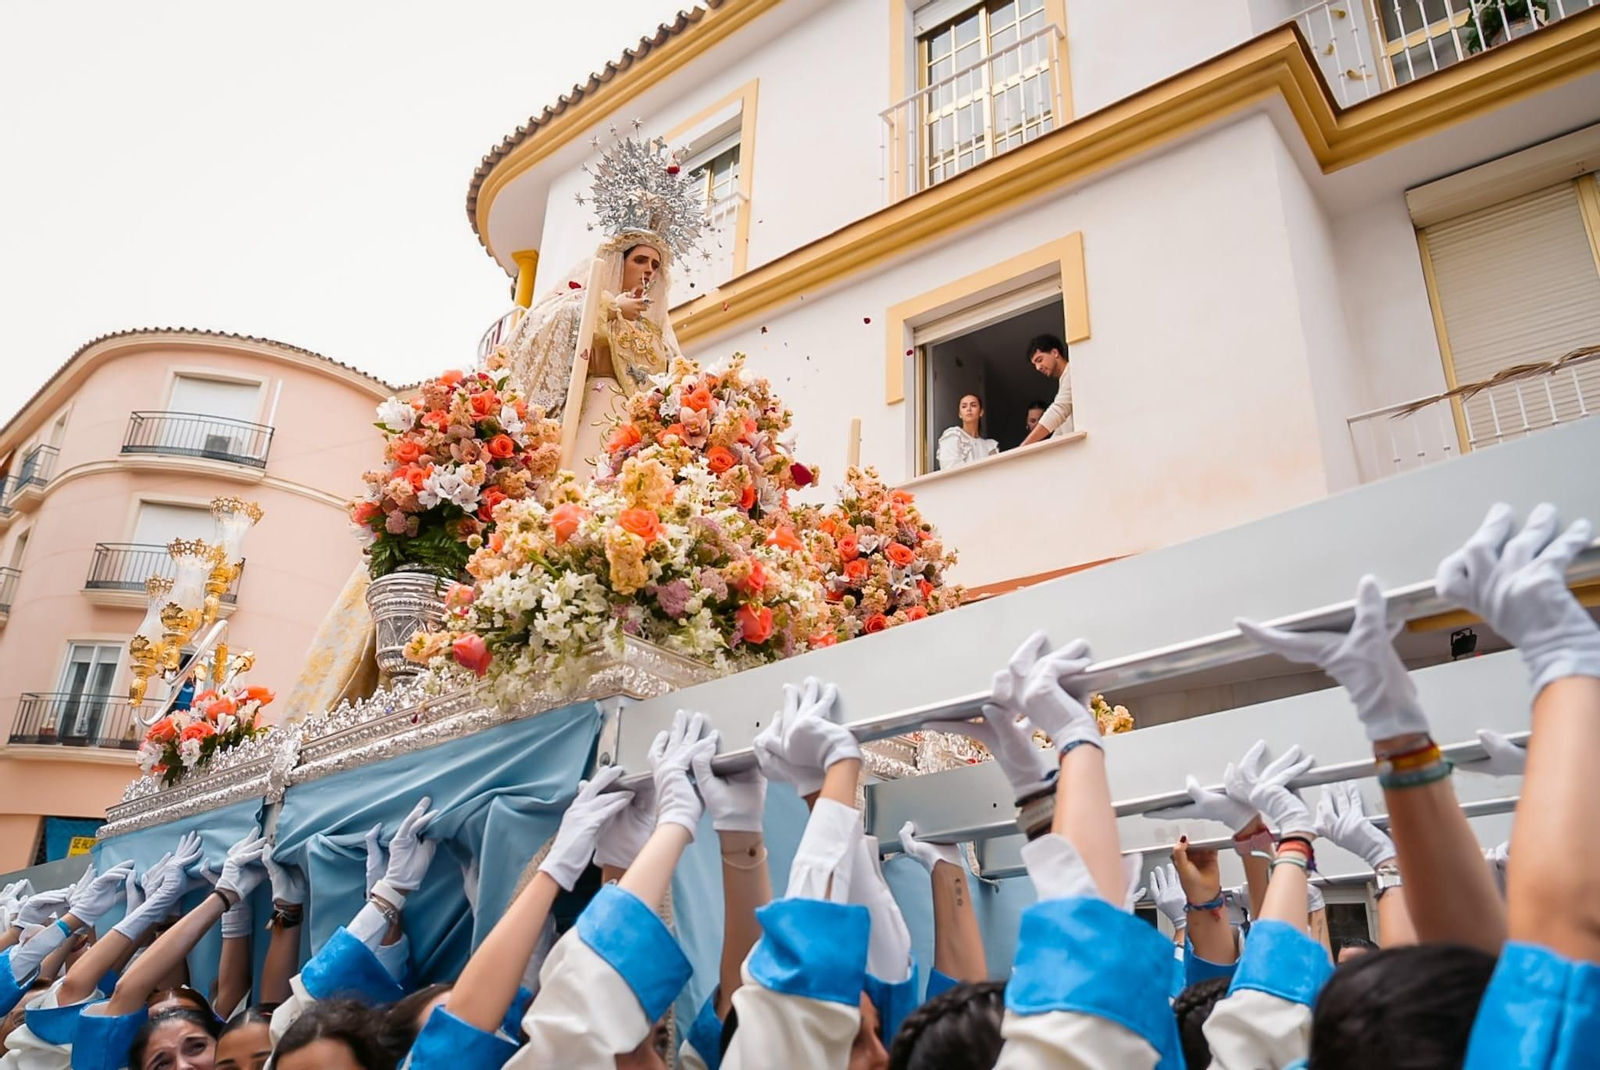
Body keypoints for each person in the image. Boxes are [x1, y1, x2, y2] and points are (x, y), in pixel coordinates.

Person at [499, 135, 705, 476]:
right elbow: (544, 321)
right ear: (619, 262)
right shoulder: (585, 299)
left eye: (655, 266)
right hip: (596, 407)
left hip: (639, 432)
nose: (648, 271)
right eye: (641, 260)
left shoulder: (655, 330)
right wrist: (608, 307)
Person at [1019, 335, 1072, 446]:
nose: (1038, 367)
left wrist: (1023, 447)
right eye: (1035, 364)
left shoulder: (1072, 372)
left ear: (1055, 353)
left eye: (1039, 360)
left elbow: (1058, 411)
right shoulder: (1063, 381)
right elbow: (1059, 433)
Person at [935, 395, 999, 471]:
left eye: (973, 405)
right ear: (960, 414)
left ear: (981, 412)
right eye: (964, 406)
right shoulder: (952, 435)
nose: (968, 409)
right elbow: (950, 468)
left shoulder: (990, 446)